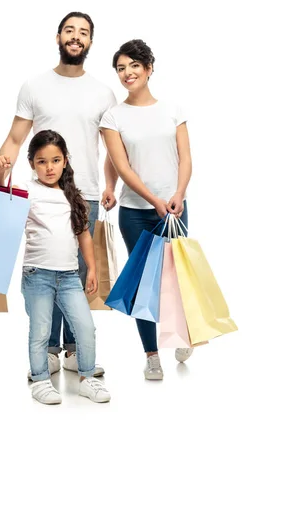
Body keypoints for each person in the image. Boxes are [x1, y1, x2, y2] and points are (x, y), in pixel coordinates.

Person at [0, 12, 118, 378]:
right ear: (58, 37)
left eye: (83, 32)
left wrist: (111, 186)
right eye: (70, 30)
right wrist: (3, 164)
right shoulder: (35, 86)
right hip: (41, 193)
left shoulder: (102, 93)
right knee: (47, 268)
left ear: (90, 42)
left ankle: (75, 351)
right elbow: (16, 139)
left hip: (87, 193)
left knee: (76, 275)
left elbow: (114, 149)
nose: (76, 37)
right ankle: (48, 350)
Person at [100, 39, 194, 380]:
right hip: (135, 211)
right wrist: (152, 200)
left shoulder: (172, 110)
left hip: (175, 209)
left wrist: (178, 194)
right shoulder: (113, 116)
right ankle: (152, 355)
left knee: (179, 276)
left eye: (134, 66)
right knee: (144, 284)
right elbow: (121, 165)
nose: (127, 74)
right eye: (121, 68)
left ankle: (185, 335)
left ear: (149, 68)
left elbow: (185, 158)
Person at [21, 130, 111, 404]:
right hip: (37, 275)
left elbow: (84, 235)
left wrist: (92, 269)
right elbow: (1, 196)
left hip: (70, 276)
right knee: (41, 330)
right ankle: (40, 381)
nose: (49, 168)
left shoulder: (74, 196)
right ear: (32, 164)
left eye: (55, 160)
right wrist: (0, 172)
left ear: (65, 161)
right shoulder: (28, 191)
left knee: (85, 327)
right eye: (42, 162)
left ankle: (87, 378)